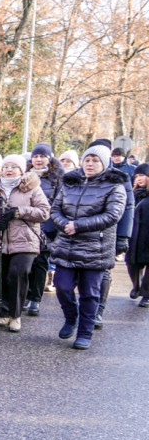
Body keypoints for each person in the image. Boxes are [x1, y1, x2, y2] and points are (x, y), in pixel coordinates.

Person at [50, 143, 127, 349]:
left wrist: (78, 225)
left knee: (90, 293)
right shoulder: (70, 182)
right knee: (62, 286)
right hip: (67, 245)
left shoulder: (114, 185)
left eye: (95, 160)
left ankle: (85, 333)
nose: (90, 164)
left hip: (96, 248)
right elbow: (55, 209)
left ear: (105, 163)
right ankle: (71, 317)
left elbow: (112, 215)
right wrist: (65, 225)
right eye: (87, 160)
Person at [0, 155, 50, 332]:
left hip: (25, 241)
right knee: (1, 277)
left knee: (18, 274)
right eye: (6, 166)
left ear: (21, 170)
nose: (9, 170)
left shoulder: (32, 187)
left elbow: (44, 212)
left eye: (14, 167)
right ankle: (4, 314)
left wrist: (19, 212)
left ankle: (15, 315)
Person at [87, 138, 135, 329]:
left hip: (108, 232)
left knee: (103, 271)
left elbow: (128, 207)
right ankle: (85, 309)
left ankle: (98, 310)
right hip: (82, 233)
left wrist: (123, 237)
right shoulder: (80, 176)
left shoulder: (120, 178)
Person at [23, 143, 64, 316]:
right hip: (26, 225)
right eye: (35, 156)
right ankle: (26, 295)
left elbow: (60, 204)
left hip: (47, 226)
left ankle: (35, 299)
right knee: (27, 263)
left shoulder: (57, 178)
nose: (38, 160)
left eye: (42, 156)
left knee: (40, 263)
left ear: (49, 158)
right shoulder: (24, 175)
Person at [127, 163, 149, 307]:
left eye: (142, 175)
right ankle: (137, 286)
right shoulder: (133, 194)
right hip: (135, 235)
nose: (138, 179)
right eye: (136, 176)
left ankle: (146, 295)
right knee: (132, 263)